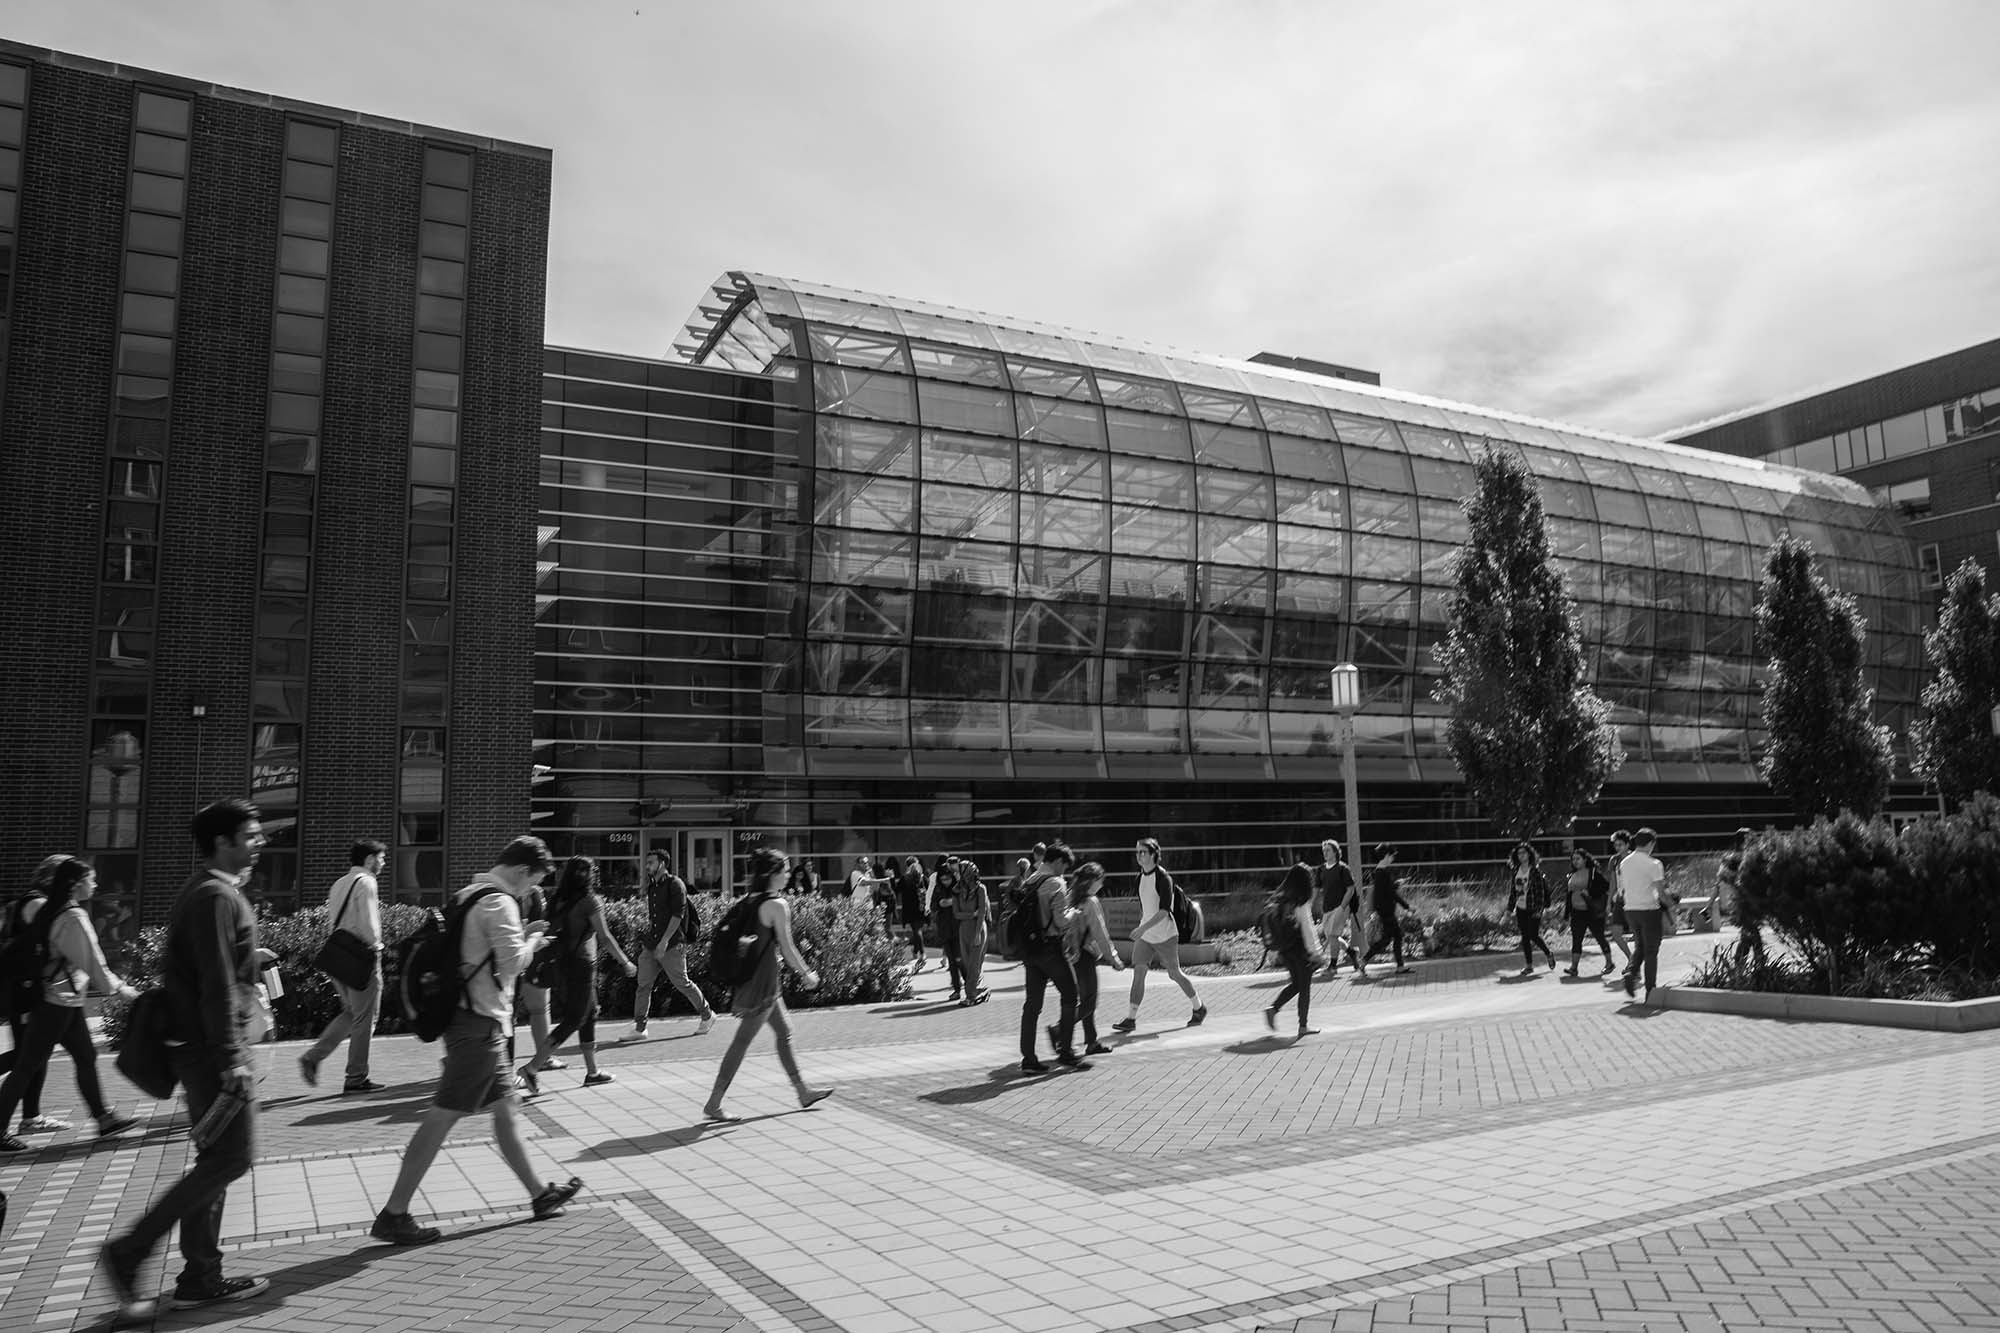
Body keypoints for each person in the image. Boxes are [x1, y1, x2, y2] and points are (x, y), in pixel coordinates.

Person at [100, 800, 272, 1321]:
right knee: (229, 1159)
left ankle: (201, 1276)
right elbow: (216, 983)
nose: (259, 842)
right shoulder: (216, 896)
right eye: (250, 834)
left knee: (216, 1161)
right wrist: (230, 1057)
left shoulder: (212, 893)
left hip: (203, 1049)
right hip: (211, 1053)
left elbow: (214, 970)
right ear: (222, 842)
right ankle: (131, 1251)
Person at [369, 836, 583, 1246]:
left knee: (507, 1110)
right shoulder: (499, 902)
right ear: (521, 872)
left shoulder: (469, 893)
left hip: (470, 1019)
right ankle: (394, 1213)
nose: (530, 892)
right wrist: (534, 939)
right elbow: (513, 962)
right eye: (531, 883)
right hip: (479, 1025)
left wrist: (521, 934)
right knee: (442, 1115)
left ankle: (540, 1195)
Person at [0, 858, 140, 1150]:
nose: (96, 884)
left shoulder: (54, 908)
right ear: (76, 885)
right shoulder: (72, 916)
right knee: (27, 1065)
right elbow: (91, 960)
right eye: (92, 879)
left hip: (64, 999)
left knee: (85, 1056)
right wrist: (121, 989)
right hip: (57, 1002)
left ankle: (103, 1119)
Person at [703, 848, 833, 1121]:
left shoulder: (751, 899)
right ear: (771, 875)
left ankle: (803, 1091)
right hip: (761, 984)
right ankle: (714, 1103)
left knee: (784, 1031)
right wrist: (806, 974)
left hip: (758, 979)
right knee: (742, 1041)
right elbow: (787, 948)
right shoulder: (777, 905)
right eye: (784, 870)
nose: (788, 875)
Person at [520, 857, 636, 1093]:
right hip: (582, 965)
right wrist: (625, 962)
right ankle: (531, 1069)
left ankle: (592, 1072)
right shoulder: (590, 901)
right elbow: (604, 937)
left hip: (562, 964)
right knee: (574, 1019)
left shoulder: (558, 899)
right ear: (590, 875)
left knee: (590, 1013)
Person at [299, 839, 387, 1095]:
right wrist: (378, 948)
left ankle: (313, 1057)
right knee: (365, 1018)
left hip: (338, 956)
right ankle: (356, 1077)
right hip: (361, 957)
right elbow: (370, 925)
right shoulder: (368, 882)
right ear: (370, 859)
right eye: (381, 858)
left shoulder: (339, 883)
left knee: (350, 1013)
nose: (383, 863)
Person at [1112, 837, 1206, 1032]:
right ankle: (1131, 1018)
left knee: (1174, 973)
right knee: (1139, 973)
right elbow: (1145, 908)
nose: (1138, 856)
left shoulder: (1164, 879)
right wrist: (1143, 928)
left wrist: (1142, 928)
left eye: (1142, 852)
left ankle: (1199, 1007)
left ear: (1154, 854)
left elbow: (1164, 912)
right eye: (1137, 852)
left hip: (1166, 935)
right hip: (1146, 936)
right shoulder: (1139, 878)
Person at [0, 856, 65, 1133]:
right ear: (52, 879)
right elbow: (53, 942)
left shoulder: (34, 900)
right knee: (29, 1055)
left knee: (35, 1054)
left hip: (26, 989)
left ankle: (32, 1117)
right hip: (23, 991)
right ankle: (27, 1117)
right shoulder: (37, 903)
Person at [622, 848, 714, 1041]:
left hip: (671, 944)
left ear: (662, 864)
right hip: (652, 944)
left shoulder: (675, 884)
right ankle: (640, 1028)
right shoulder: (653, 887)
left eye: (651, 863)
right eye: (647, 863)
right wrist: (654, 942)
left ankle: (707, 1015)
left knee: (682, 983)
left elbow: (677, 915)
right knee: (643, 984)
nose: (647, 866)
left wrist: (664, 942)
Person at [1016, 841, 1086, 1074]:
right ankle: (1066, 1051)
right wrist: (1074, 914)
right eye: (1064, 866)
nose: (1064, 871)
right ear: (1058, 861)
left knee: (1032, 1005)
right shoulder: (1056, 882)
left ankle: (1028, 1058)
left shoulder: (1030, 880)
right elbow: (1060, 921)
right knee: (1070, 994)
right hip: (1050, 949)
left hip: (1030, 950)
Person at [1065, 860, 1122, 1056]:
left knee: (1085, 998)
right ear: (1092, 881)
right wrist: (1113, 958)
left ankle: (1091, 1042)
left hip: (1071, 955)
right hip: (1086, 956)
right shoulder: (1091, 902)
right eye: (1101, 880)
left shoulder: (1071, 898)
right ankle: (1059, 1029)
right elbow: (1100, 933)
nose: (1102, 884)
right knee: (1090, 1002)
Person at [1262, 861, 1326, 1037]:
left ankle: (1273, 1009)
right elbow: (1308, 929)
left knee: (1296, 984)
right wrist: (1316, 952)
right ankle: (1303, 1027)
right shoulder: (1301, 902)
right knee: (1304, 987)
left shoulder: (1281, 899)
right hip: (1300, 950)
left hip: (1285, 949)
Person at [1620, 827, 1671, 1001]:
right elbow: (1660, 892)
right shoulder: (1654, 864)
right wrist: (1671, 905)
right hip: (1649, 910)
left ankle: (1631, 972)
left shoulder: (1624, 862)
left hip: (1630, 910)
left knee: (1640, 947)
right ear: (1650, 844)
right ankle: (1651, 990)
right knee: (1651, 951)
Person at [1505, 841, 1558, 975]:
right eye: (1519, 853)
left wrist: (1539, 910)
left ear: (1529, 855)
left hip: (1533, 907)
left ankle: (1548, 953)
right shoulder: (1515, 871)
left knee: (1533, 934)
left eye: (1524, 852)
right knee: (1524, 937)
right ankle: (1529, 965)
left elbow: (1540, 892)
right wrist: (1509, 910)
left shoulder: (1535, 872)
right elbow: (1513, 892)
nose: (1521, 855)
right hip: (1520, 908)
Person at [1562, 847, 1616, 977]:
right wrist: (1566, 914)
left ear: (1585, 860)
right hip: (1577, 912)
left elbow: (1605, 887)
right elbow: (1568, 895)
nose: (1575, 861)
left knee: (1600, 937)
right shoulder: (1572, 875)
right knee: (1576, 939)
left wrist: (1590, 892)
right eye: (1573, 859)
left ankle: (1609, 963)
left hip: (1592, 911)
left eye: (1578, 859)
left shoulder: (1593, 873)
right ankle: (1574, 968)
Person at [1361, 844, 1414, 974]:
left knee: (1389, 939)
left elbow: (1386, 890)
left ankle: (1364, 961)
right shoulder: (1382, 873)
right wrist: (1407, 907)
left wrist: (1396, 884)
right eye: (1391, 856)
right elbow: (1391, 894)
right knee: (1393, 938)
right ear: (1386, 856)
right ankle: (1364, 961)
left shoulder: (1379, 872)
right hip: (1386, 911)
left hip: (1384, 910)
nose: (1392, 858)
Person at [1315, 839, 1365, 979]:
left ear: (1336, 852)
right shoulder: (1321, 869)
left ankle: (1332, 967)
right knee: (1333, 937)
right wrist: (1309, 904)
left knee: (1332, 936)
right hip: (1327, 908)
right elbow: (1316, 889)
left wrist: (1342, 907)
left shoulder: (1343, 869)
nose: (1325, 853)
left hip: (1341, 907)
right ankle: (1351, 952)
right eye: (1324, 851)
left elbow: (1350, 889)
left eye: (1328, 850)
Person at [951, 856, 991, 1006]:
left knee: (974, 965)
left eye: (961, 871)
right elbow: (956, 913)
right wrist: (970, 914)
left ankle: (970, 997)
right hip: (964, 929)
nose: (958, 874)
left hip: (978, 929)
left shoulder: (981, 889)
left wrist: (977, 934)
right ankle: (981, 990)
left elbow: (981, 912)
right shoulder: (957, 890)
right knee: (968, 966)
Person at [1602, 830, 1637, 981]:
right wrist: (1609, 902)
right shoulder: (1614, 860)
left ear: (1628, 844)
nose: (1617, 847)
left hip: (1635, 900)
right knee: (1616, 933)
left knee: (1638, 935)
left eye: (1620, 845)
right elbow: (1613, 883)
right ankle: (1631, 960)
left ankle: (1635, 967)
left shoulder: (1635, 858)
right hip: (1620, 900)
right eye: (1615, 845)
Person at [931, 856, 966, 1001]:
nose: (946, 882)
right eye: (943, 879)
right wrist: (940, 903)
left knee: (959, 959)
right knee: (952, 961)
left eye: (948, 879)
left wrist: (952, 902)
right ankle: (957, 989)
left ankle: (970, 983)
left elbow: (965, 901)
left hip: (958, 927)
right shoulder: (938, 889)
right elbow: (933, 905)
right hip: (945, 929)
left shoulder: (958, 887)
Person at [897, 856, 927, 969]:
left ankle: (922, 953)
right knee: (917, 930)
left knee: (916, 930)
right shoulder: (923, 878)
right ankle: (915, 950)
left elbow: (897, 889)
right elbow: (930, 889)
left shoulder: (905, 878)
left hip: (910, 909)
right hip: (921, 908)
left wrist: (890, 878)